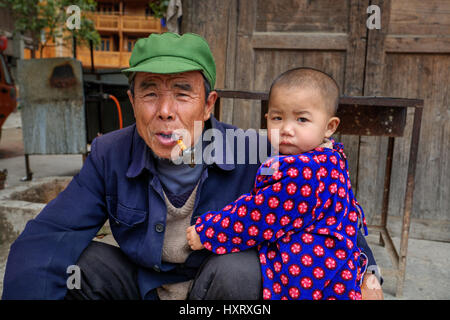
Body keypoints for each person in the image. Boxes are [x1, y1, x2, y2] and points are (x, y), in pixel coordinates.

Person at [2, 32, 381, 300]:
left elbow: (331, 209)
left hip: (214, 291)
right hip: (142, 286)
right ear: (132, 102)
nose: (165, 111)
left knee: (242, 271)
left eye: (183, 92)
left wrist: (368, 277)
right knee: (75, 263)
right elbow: (48, 236)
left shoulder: (261, 151)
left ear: (208, 103)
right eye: (150, 92)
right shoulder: (108, 153)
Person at [187, 67, 379, 300]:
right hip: (336, 271)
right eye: (278, 118)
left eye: (302, 119)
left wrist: (208, 232)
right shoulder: (331, 157)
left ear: (330, 126)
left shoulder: (302, 173)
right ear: (266, 119)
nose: (287, 129)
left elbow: (257, 215)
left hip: (307, 277)